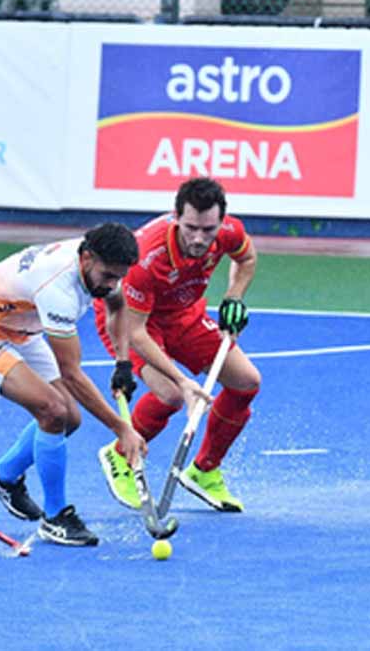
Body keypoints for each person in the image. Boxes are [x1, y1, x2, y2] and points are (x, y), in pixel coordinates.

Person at [0, 223, 147, 547]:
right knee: (53, 411)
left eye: (118, 277)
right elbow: (72, 374)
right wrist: (122, 429)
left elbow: (117, 305)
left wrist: (123, 363)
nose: (112, 284)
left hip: (21, 328)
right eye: (108, 276)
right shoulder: (58, 289)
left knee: (71, 418)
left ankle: (1, 476)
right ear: (87, 258)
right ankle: (56, 518)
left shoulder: (101, 264)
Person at [93, 177, 261, 513]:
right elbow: (136, 333)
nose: (199, 238)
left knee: (246, 382)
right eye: (190, 228)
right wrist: (183, 382)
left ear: (221, 221)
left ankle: (204, 471)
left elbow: (247, 259)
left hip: (183, 313)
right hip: (131, 320)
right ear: (176, 217)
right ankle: (120, 454)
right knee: (169, 394)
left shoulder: (229, 231)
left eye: (208, 229)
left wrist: (233, 297)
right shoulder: (146, 258)